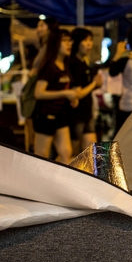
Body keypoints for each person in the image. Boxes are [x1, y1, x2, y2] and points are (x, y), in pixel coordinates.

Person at [33, 27, 78, 164]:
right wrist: (65, 93)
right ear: (55, 43)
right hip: (46, 116)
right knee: (41, 155)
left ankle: (61, 183)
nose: (69, 44)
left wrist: (71, 98)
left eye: (70, 41)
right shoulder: (50, 67)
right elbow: (38, 93)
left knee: (66, 153)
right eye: (65, 41)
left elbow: (63, 88)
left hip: (61, 115)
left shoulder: (65, 65)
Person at [69, 28, 103, 155]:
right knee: (71, 154)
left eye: (90, 40)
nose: (89, 44)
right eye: (85, 40)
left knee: (91, 155)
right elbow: (77, 93)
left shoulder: (84, 62)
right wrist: (94, 84)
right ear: (77, 43)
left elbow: (86, 88)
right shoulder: (74, 63)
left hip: (86, 113)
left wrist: (95, 84)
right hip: (75, 115)